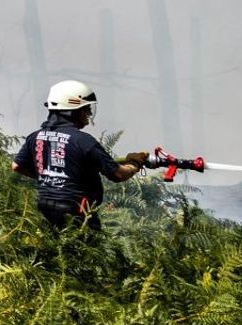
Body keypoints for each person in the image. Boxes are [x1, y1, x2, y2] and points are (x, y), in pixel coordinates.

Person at [12, 81, 148, 232]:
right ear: (73, 111)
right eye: (86, 109)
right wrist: (135, 165)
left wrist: (47, 177)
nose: (89, 114)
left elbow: (17, 166)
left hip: (45, 210)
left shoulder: (35, 137)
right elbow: (118, 174)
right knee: (84, 254)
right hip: (76, 216)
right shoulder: (83, 141)